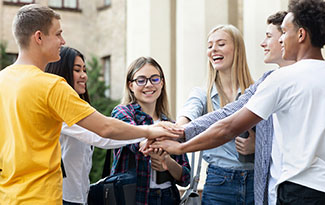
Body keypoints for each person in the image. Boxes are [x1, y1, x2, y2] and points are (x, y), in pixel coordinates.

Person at [152, 0, 325, 204]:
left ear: (301, 35)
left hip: (298, 191)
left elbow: (228, 126)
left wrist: (182, 147)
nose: (281, 39)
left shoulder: (282, 79)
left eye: (284, 32)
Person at [0, 4, 177, 204]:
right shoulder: (51, 86)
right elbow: (105, 128)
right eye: (58, 34)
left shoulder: (2, 80)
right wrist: (151, 130)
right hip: (40, 198)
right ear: (39, 37)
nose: (62, 41)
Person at [45, 46, 144, 205]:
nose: (84, 75)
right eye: (77, 70)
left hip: (79, 196)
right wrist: (147, 133)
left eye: (84, 70)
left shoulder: (77, 109)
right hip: (62, 198)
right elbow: (102, 136)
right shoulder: (59, 110)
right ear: (61, 72)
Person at [176, 24, 256, 204]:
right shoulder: (201, 94)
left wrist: (256, 147)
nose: (213, 50)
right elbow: (187, 116)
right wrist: (176, 131)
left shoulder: (257, 91)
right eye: (210, 45)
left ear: (237, 49)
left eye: (221, 44)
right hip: (219, 183)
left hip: (256, 181)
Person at [111, 57, 191, 205]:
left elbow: (185, 177)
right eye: (141, 80)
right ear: (130, 85)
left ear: (161, 83)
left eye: (154, 79)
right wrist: (158, 143)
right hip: (133, 197)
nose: (148, 85)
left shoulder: (169, 123)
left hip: (167, 198)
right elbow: (135, 141)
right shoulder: (122, 112)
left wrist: (167, 162)